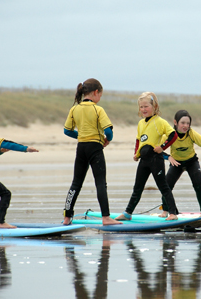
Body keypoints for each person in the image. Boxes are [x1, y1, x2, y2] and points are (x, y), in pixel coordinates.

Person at [62, 78, 122, 226]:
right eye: (100, 95)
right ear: (96, 92)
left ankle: (67, 217)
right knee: (100, 183)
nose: (99, 98)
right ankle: (106, 218)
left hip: (81, 147)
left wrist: (81, 136)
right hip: (95, 148)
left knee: (76, 183)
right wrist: (106, 139)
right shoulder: (98, 109)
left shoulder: (74, 109)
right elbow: (109, 132)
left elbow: (67, 131)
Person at [115, 92, 180, 221]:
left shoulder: (159, 122)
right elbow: (139, 140)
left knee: (163, 187)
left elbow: (173, 135)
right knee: (137, 187)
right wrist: (136, 153)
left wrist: (162, 147)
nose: (143, 109)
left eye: (146, 106)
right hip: (144, 161)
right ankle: (128, 213)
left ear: (154, 106)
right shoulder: (141, 123)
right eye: (141, 107)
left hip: (156, 159)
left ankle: (173, 214)